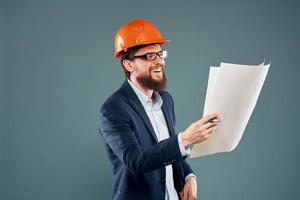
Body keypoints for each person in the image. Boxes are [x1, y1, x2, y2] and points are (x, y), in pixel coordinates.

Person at [99, 18, 220, 200]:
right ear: (129, 64)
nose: (159, 62)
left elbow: (169, 151)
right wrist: (186, 139)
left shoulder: (165, 100)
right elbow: (136, 161)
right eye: (149, 56)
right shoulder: (113, 109)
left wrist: (189, 177)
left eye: (160, 54)